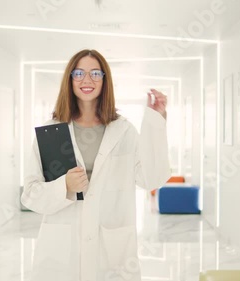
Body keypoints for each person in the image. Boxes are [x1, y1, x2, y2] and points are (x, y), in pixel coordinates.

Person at [21, 49, 171, 281]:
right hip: (61, 250)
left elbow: (151, 179)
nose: (87, 80)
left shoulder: (123, 131)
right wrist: (65, 187)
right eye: (79, 73)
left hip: (111, 249)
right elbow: (30, 194)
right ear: (69, 79)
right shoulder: (52, 131)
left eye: (95, 73)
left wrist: (156, 122)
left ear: (105, 80)